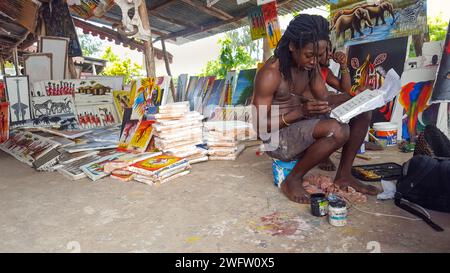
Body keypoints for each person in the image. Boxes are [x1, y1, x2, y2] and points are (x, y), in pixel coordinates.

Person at [252, 14, 378, 204]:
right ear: (292, 47)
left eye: (318, 56)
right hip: (277, 138)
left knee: (363, 110)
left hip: (302, 124)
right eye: (309, 55)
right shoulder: (271, 73)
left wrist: (356, 96)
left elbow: (325, 98)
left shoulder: (311, 66)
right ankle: (292, 179)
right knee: (337, 130)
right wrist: (301, 112)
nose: (314, 61)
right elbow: (259, 125)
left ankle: (344, 175)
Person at [317, 41, 352, 171]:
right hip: (309, 111)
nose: (330, 55)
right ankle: (322, 154)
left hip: (322, 105)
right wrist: (353, 95)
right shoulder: (310, 70)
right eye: (326, 51)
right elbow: (322, 99)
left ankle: (345, 168)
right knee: (323, 112)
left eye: (331, 51)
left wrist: (343, 65)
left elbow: (345, 88)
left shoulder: (325, 70)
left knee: (362, 112)